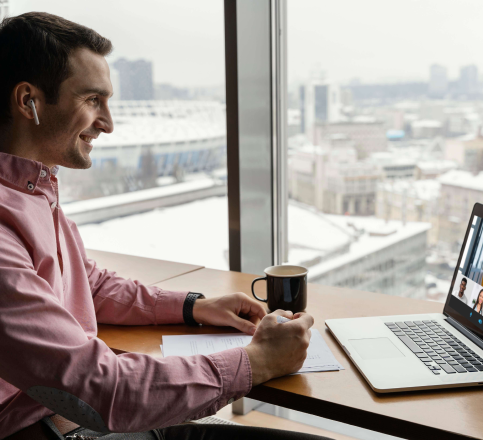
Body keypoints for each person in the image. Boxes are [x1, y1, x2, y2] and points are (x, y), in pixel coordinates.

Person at [0, 12, 330, 440]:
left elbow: (88, 282)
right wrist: (259, 361)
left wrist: (194, 306)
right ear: (29, 101)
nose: (108, 122)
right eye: (92, 100)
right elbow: (106, 390)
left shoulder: (33, 194)